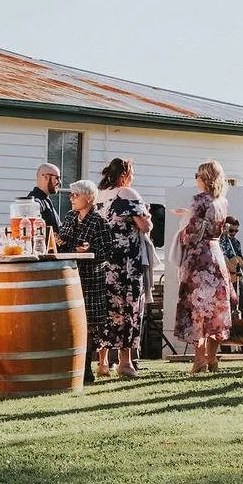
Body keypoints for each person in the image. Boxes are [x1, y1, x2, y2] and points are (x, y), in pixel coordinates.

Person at [95, 157, 153, 379]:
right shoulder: (127, 194)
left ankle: (102, 364)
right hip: (127, 262)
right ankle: (125, 363)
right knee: (128, 309)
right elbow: (145, 226)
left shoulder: (99, 196)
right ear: (124, 175)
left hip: (104, 263)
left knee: (106, 310)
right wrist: (146, 215)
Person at [175, 160, 233, 373]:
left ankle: (199, 359)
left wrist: (183, 226)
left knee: (197, 308)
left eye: (197, 175)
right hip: (216, 255)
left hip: (199, 258)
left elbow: (191, 234)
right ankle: (212, 358)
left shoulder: (198, 200)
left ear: (205, 178)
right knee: (215, 308)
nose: (195, 179)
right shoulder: (222, 202)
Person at [54, 179, 112, 384]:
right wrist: (59, 241)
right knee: (72, 320)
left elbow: (108, 251)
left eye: (75, 195)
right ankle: (72, 364)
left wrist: (90, 250)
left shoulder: (99, 221)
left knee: (88, 323)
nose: (71, 198)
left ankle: (86, 367)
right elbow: (62, 240)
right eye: (71, 195)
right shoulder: (70, 217)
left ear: (89, 197)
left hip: (91, 276)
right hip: (70, 274)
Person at [218, 216, 243, 319]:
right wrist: (232, 267)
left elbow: (240, 260)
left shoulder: (236, 243)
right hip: (224, 280)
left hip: (236, 279)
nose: (234, 233)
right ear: (225, 227)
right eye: (231, 230)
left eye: (236, 231)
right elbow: (222, 258)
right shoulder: (220, 240)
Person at [25, 163, 64, 232]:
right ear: (45, 177)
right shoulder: (35, 201)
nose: (60, 182)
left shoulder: (45, 199)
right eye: (57, 178)